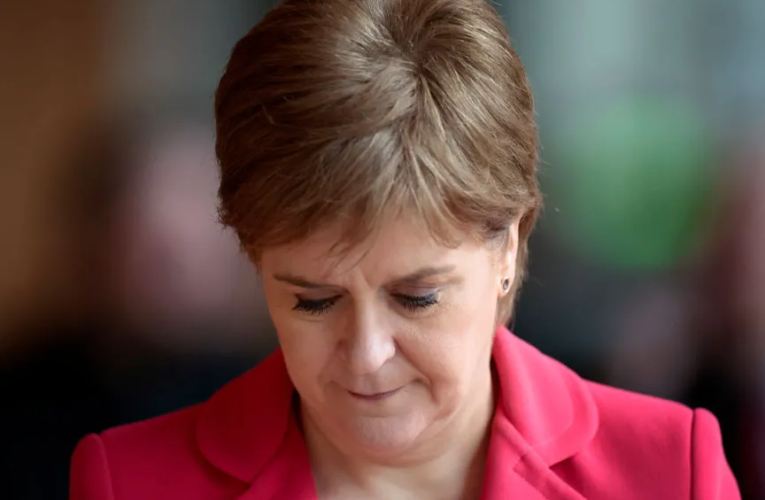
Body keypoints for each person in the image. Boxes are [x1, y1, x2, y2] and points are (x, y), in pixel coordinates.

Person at [69, 0, 741, 498]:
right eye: (313, 301)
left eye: (416, 298)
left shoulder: (669, 471)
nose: (366, 355)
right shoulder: (129, 482)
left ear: (507, 247)